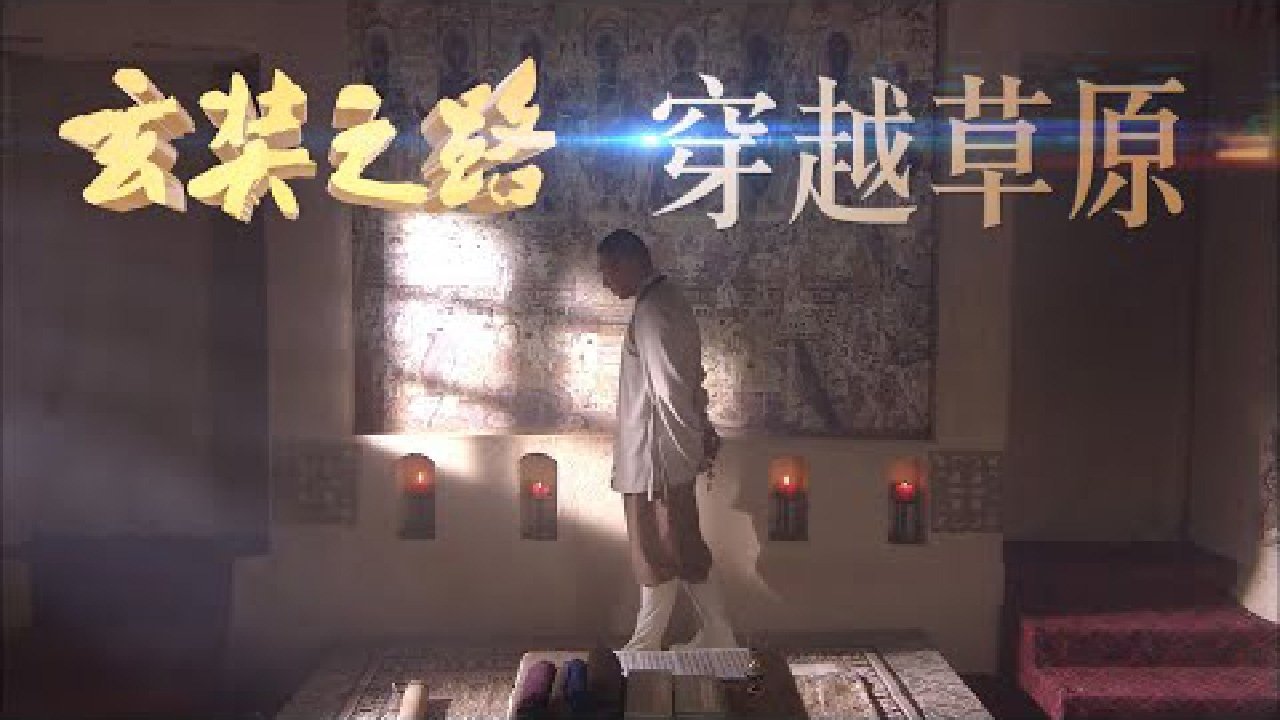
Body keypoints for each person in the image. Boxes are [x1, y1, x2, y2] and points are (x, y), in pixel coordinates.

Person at [596, 228, 738, 651]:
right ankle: (716, 635)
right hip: (662, 457)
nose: (605, 281)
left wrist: (687, 452)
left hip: (656, 461)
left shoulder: (654, 311)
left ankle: (649, 643)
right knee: (680, 549)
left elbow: (671, 390)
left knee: (658, 552)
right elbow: (686, 384)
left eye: (608, 270)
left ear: (628, 262)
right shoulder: (665, 302)